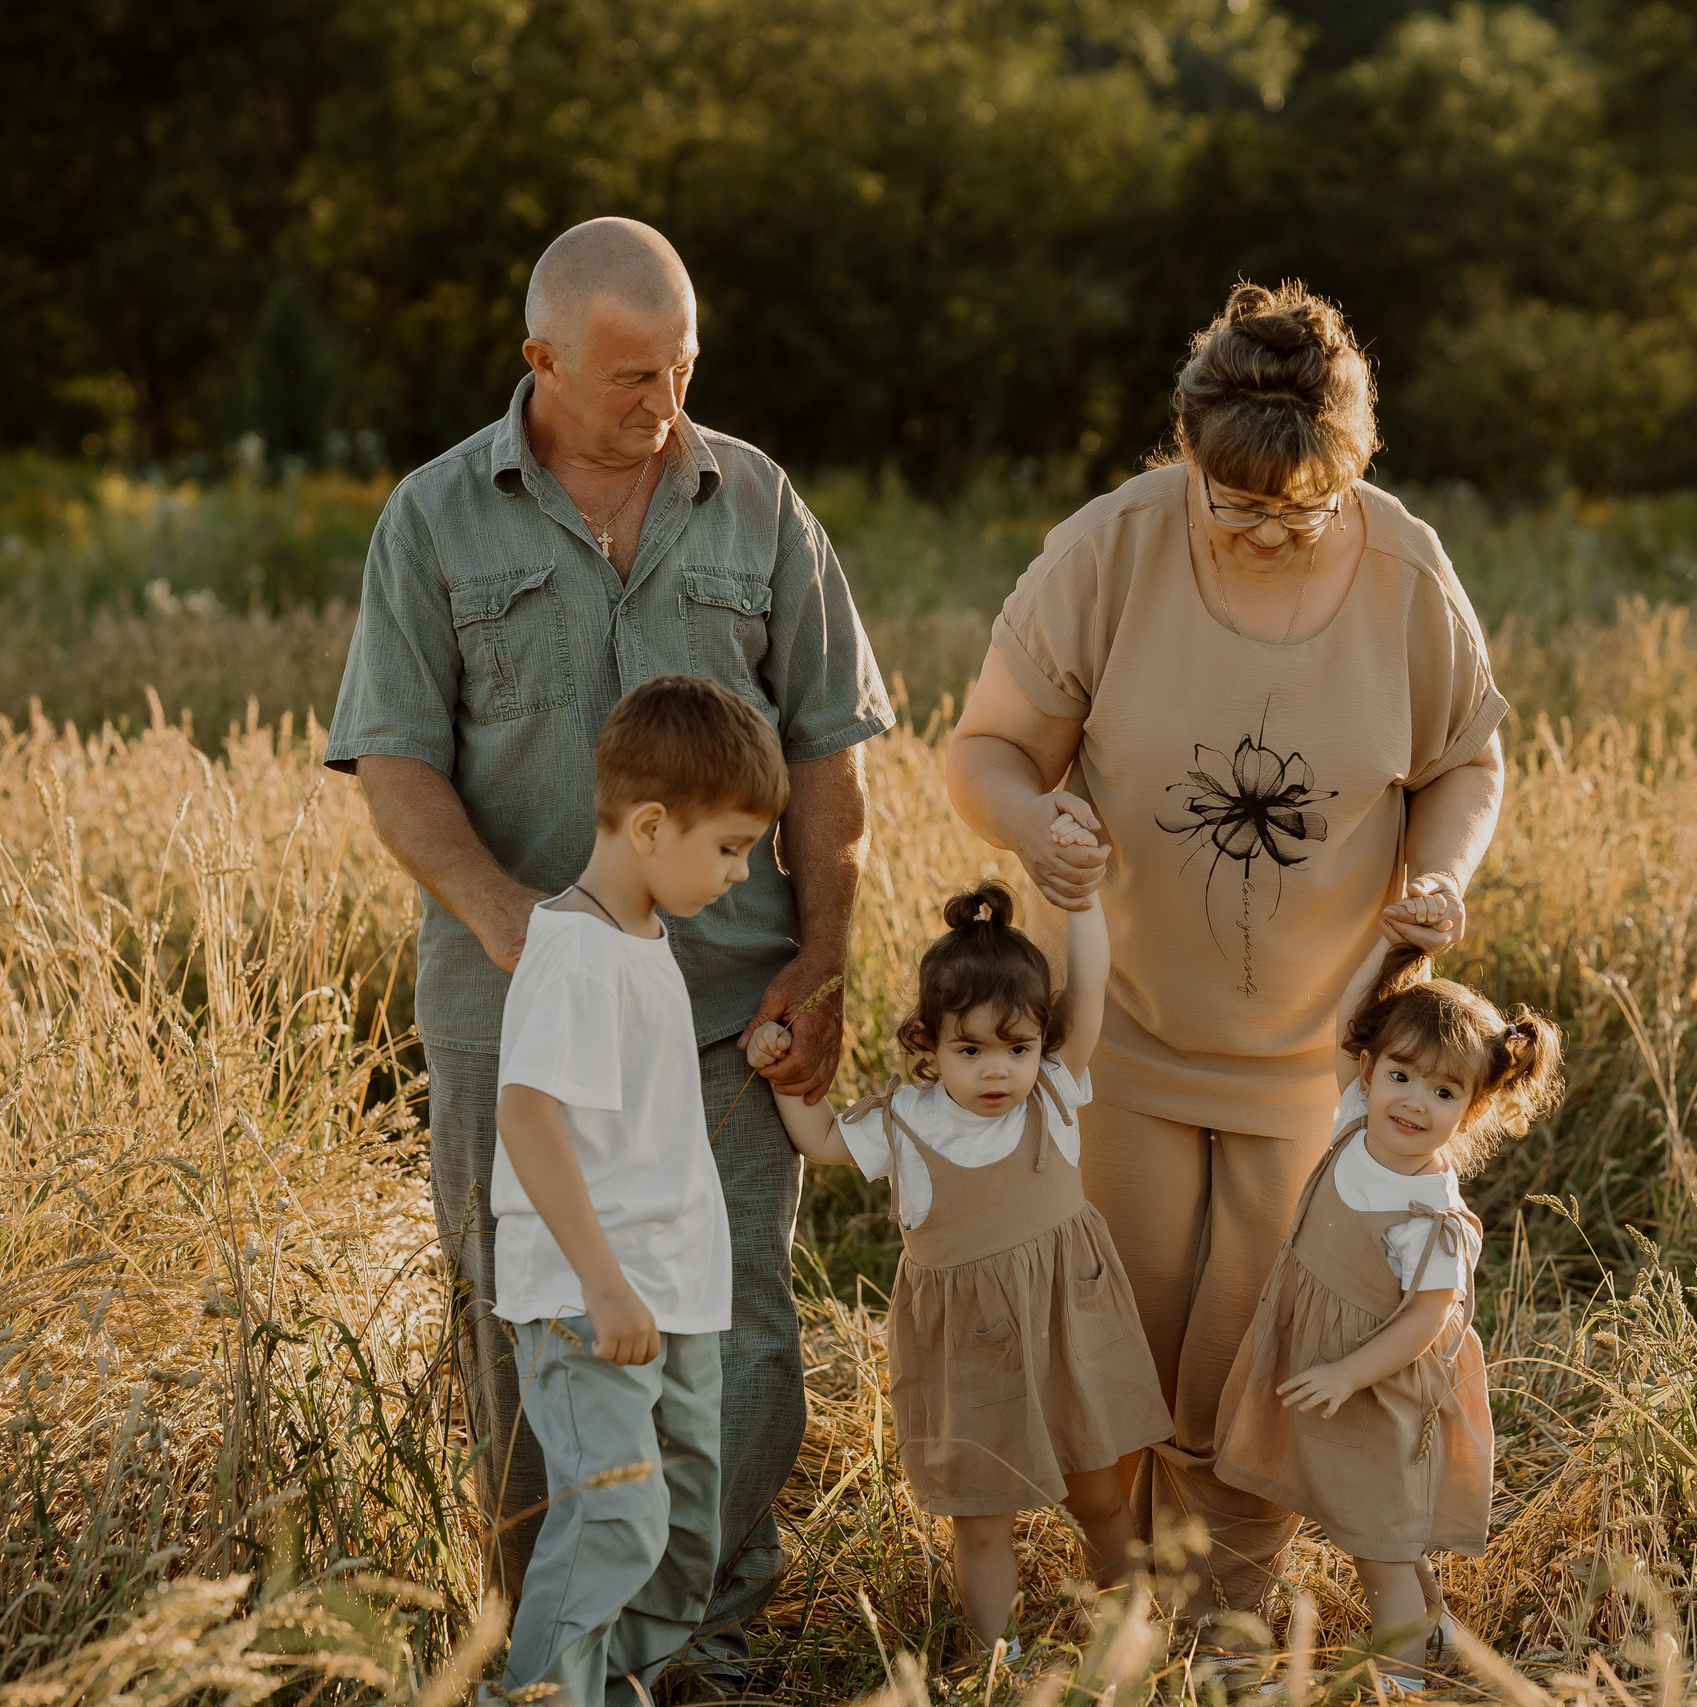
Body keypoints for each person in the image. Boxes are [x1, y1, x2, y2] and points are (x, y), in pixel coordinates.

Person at [324, 215, 894, 1679]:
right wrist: (521, 923)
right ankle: (557, 1643)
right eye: (632, 375)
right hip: (515, 1016)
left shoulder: (758, 502)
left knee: (741, 1332)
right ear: (541, 360)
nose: (665, 403)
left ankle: (708, 1636)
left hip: (725, 1013)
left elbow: (831, 747)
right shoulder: (437, 517)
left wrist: (821, 958)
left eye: (684, 368)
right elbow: (394, 760)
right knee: (527, 1323)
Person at [943, 278, 1511, 1618]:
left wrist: (1440, 869)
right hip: (1120, 1036)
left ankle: (1226, 1626)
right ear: (1185, 454)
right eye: (1231, 503)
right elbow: (982, 751)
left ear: (1354, 468)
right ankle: (1121, 1611)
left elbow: (1468, 761)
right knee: (1123, 1349)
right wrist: (1038, 820)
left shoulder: (1408, 570)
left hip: (1321, 1062)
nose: (1264, 531)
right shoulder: (1109, 548)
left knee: (1255, 1358)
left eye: (1298, 508)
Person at [744, 852, 1171, 1664]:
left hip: (1069, 1329)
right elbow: (823, 1137)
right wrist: (779, 1068)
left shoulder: (1054, 1088)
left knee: (1103, 1496)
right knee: (982, 1517)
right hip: (970, 1352)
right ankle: (995, 1655)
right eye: (968, 1050)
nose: (996, 1069)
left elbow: (1096, 974)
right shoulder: (906, 1122)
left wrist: (1078, 899)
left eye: (1015, 1046)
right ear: (927, 1043)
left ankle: (1129, 1630)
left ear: (1041, 1040)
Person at [491, 676, 787, 1704]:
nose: (742, 874)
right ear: (651, 825)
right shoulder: (573, 951)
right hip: (594, 1294)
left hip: (676, 1292)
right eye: (730, 847)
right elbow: (526, 1118)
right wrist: (604, 1284)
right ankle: (539, 1699)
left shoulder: (646, 941)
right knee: (616, 1516)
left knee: (684, 1527)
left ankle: (615, 1691)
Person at [1214, 934, 1563, 1693]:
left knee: (1378, 1546)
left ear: (1471, 1110)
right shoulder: (1353, 1119)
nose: (1413, 1101)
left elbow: (1425, 1323)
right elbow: (1351, 1014)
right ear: (1368, 1069)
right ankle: (1430, 1630)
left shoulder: (1429, 1213)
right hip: (1322, 1360)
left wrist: (1347, 1372)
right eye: (1400, 1075)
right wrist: (1393, 946)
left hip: (1378, 1388)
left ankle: (1399, 1675)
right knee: (1364, 1524)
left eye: (1443, 1093)